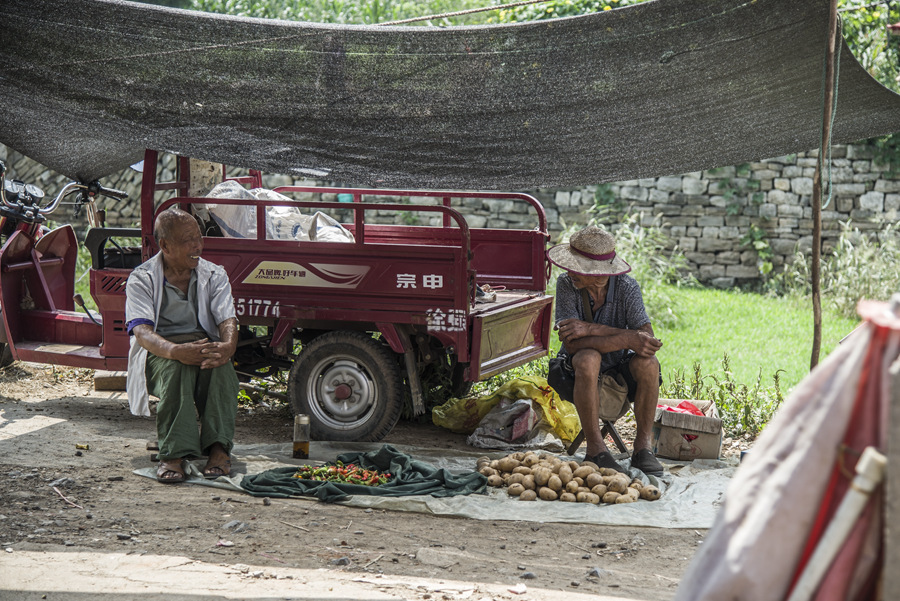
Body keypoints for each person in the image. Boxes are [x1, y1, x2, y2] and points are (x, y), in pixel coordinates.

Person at [125, 207, 240, 484]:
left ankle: (218, 448)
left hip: (201, 344)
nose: (197, 246)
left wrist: (227, 346)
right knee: (177, 372)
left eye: (199, 238)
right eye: (188, 240)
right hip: (161, 352)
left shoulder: (213, 274)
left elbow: (228, 317)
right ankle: (173, 455)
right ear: (165, 245)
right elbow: (142, 332)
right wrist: (176, 351)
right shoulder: (142, 278)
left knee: (221, 369)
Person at [547, 225, 665, 476]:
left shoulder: (627, 287)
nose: (570, 272)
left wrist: (591, 329)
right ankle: (596, 450)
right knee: (589, 357)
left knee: (649, 363)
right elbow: (573, 345)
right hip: (573, 373)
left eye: (579, 268)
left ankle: (643, 448)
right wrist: (627, 338)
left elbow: (645, 340)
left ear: (600, 274)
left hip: (619, 369)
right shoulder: (567, 284)